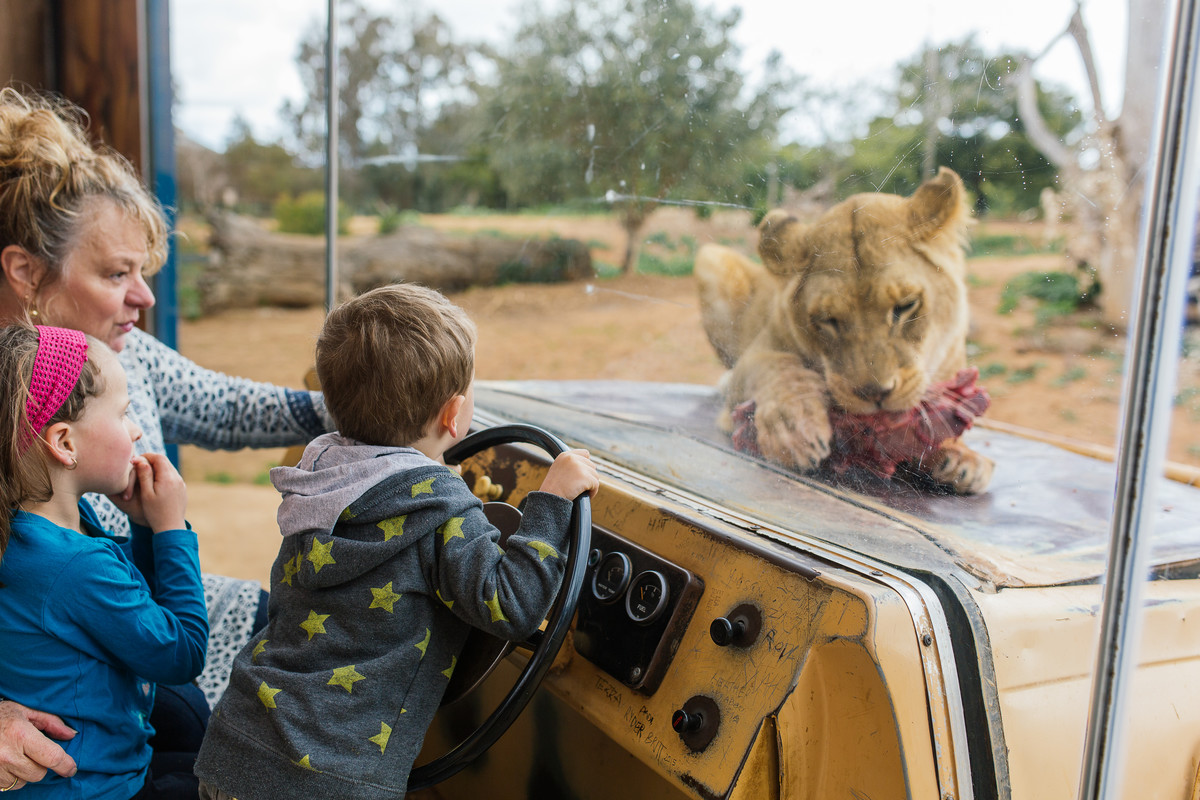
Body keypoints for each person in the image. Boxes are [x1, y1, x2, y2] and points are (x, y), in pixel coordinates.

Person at [0, 86, 334, 785]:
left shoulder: (124, 354)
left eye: (142, 272)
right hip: (85, 670)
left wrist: (362, 408)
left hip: (138, 617)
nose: (145, 297)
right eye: (117, 273)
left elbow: (232, 408)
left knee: (324, 628)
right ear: (27, 273)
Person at [193, 284, 599, 799]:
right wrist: (553, 502)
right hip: (329, 783)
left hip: (236, 748)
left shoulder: (318, 481)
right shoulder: (440, 506)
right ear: (454, 415)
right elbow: (514, 605)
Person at [0, 323, 208, 798]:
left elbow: (134, 615)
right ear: (65, 443)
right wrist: (169, 529)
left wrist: (141, 526)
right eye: (123, 412)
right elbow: (181, 652)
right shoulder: (75, 565)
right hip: (98, 787)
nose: (135, 429)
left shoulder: (29, 529)